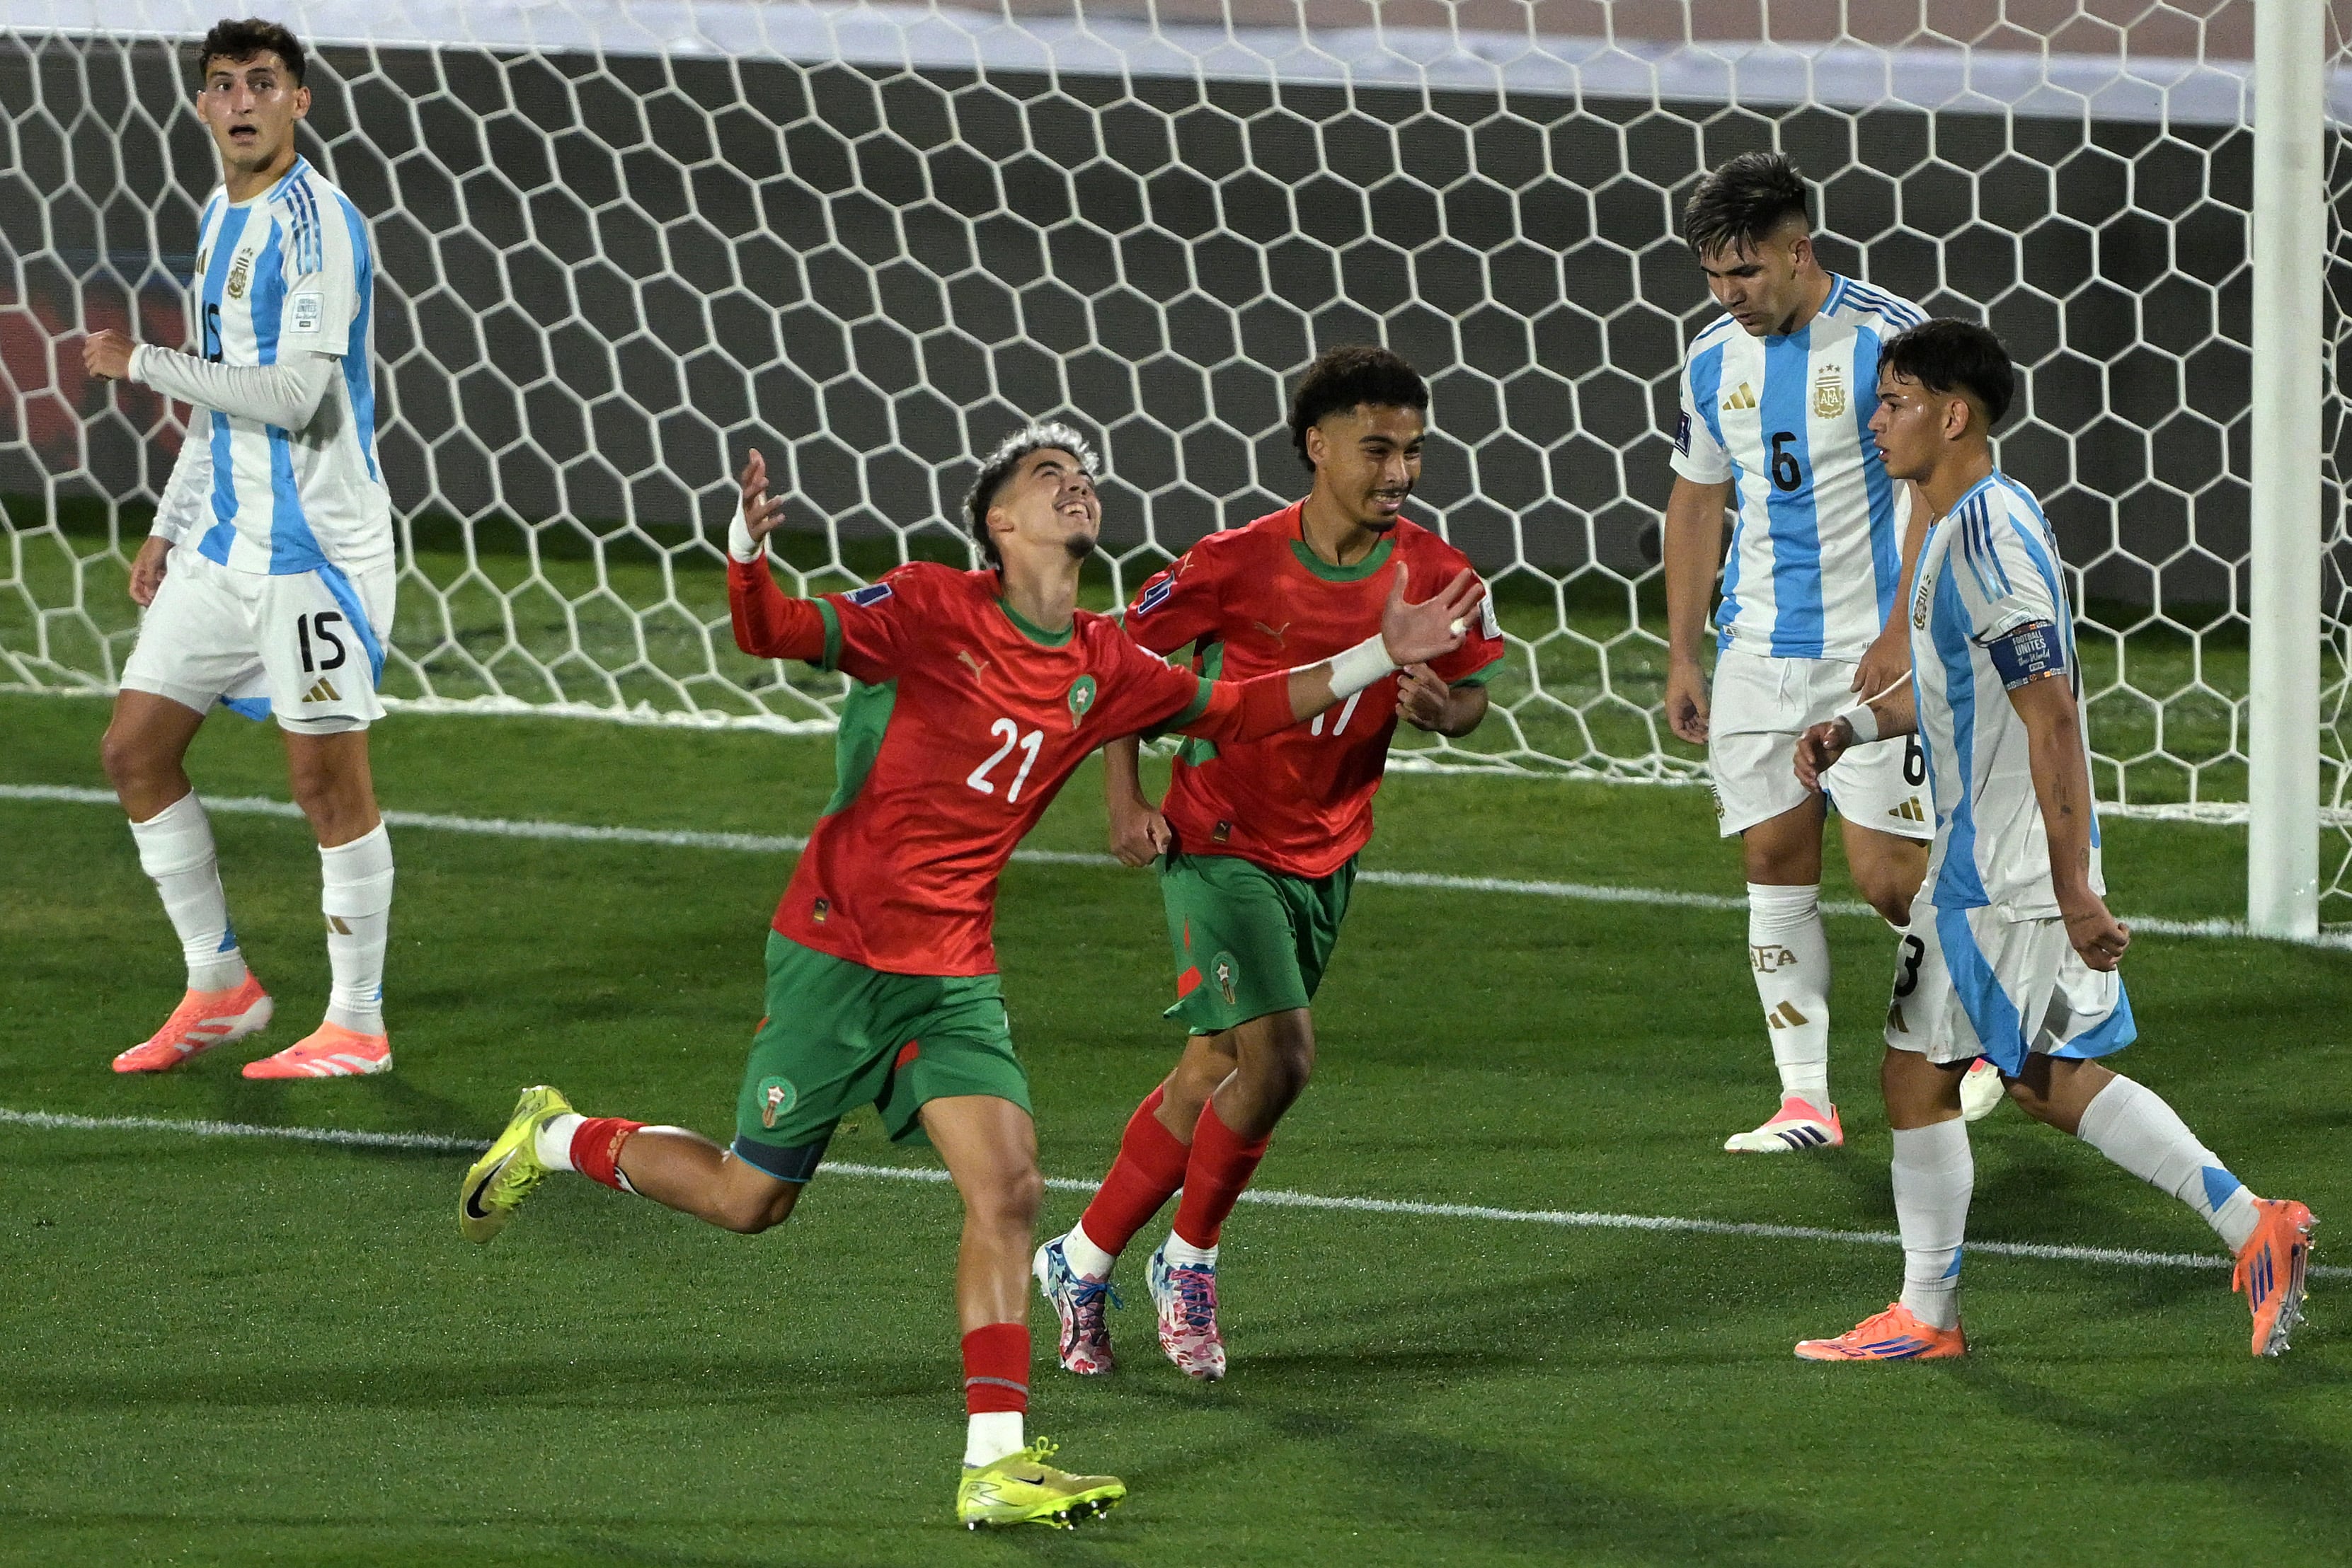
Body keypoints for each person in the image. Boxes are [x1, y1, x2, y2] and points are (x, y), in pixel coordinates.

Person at [457, 427, 1484, 1526]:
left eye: (1082, 475)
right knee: (750, 1200)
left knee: (1008, 1190)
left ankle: (993, 1464)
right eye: (1048, 477)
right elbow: (775, 630)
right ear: (998, 523)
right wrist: (746, 553)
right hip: (837, 955)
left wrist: (1383, 653)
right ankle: (556, 1137)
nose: (1075, 484)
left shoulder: (1104, 659)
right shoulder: (925, 608)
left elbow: (1240, 710)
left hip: (952, 971)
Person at [1790, 319, 2313, 1361]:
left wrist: (2072, 888)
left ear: (1953, 414)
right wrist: (1856, 724)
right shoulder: (1964, 525)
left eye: (1895, 401)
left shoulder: (1983, 539)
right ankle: (2247, 1224)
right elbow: (1958, 697)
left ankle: (1936, 1314)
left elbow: (2052, 715)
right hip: (1997, 862)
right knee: (2021, 1075)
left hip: (2001, 872)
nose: (1877, 418)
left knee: (1936, 1074)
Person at [1034, 346, 1503, 1383]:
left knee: (1213, 1071)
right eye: (1377, 449)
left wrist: (1446, 711)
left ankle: (1079, 1259)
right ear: (1316, 447)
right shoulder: (1234, 563)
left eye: (1415, 451)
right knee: (1281, 1061)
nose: (1400, 472)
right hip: (1217, 840)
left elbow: (1473, 697)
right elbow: (1119, 663)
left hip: (1327, 854)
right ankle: (1187, 1265)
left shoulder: (1435, 572)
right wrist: (1126, 798)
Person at [1662, 151, 2005, 1152]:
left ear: (1798, 250)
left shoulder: (1891, 341)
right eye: (1714, 277)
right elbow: (1697, 495)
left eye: (1748, 274)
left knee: (1894, 874)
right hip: (1758, 647)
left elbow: (1940, 485)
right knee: (1772, 859)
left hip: (1871, 647)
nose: (1731, 296)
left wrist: (1903, 626)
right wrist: (1685, 653)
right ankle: (1805, 1098)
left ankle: (1992, 1016)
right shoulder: (1711, 356)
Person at [84, 18, 398, 1079]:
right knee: (134, 752)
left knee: (325, 787)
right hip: (223, 547)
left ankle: (356, 1021)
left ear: (300, 101)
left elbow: (297, 394)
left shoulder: (322, 228)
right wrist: (173, 523)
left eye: (263, 82)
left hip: (317, 555)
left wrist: (141, 362)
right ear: (204, 105)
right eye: (224, 85)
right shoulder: (221, 213)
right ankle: (220, 987)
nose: (243, 101)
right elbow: (226, 412)